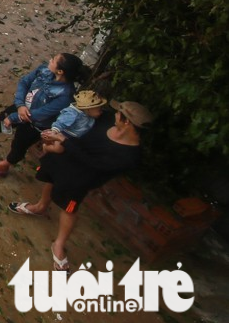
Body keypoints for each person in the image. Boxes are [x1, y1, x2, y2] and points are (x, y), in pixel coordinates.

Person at [9, 100, 150, 270]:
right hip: (63, 158)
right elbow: (83, 112)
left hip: (80, 179)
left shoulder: (129, 156)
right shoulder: (105, 119)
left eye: (119, 113)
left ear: (127, 121)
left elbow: (94, 164)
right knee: (50, 180)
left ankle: (59, 244)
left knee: (69, 208)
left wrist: (63, 140)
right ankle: (40, 207)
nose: (114, 114)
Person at [0, 52, 84, 177]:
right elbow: (24, 82)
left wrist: (14, 117)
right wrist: (20, 105)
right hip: (21, 108)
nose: (50, 60)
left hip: (35, 124)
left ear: (60, 71)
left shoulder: (65, 95)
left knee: (19, 144)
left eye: (54, 60)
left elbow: (40, 115)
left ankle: (4, 165)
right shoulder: (44, 69)